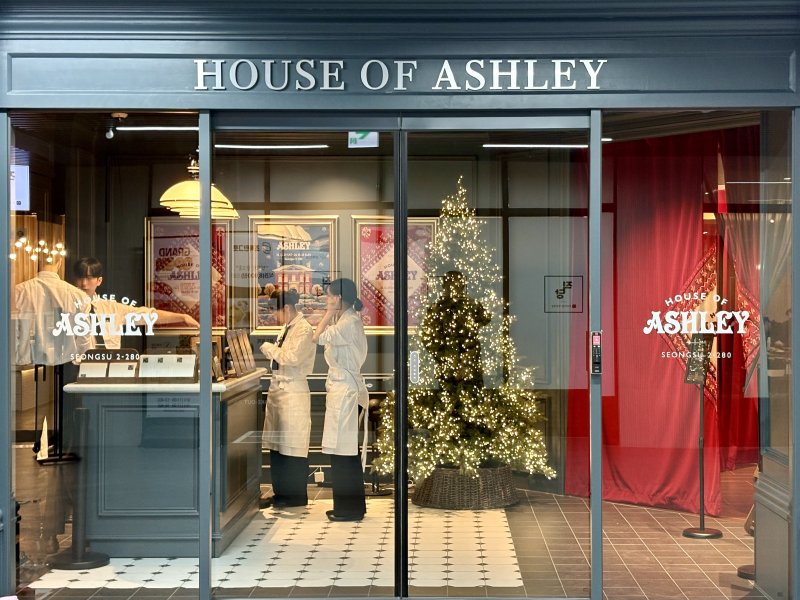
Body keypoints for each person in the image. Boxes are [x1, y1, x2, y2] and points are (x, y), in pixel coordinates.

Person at [313, 277, 369, 522]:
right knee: (341, 450)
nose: (327, 300)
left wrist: (328, 313)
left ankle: (349, 509)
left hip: (346, 391)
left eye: (329, 296)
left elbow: (317, 337)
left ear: (338, 298)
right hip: (341, 390)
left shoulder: (348, 322)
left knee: (344, 450)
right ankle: (347, 506)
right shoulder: (346, 320)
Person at [258, 289, 316, 508]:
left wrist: (269, 348)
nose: (274, 315)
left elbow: (292, 357)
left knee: (293, 445)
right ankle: (280, 493)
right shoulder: (286, 327)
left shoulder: (304, 329)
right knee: (278, 446)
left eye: (276, 311)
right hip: (279, 390)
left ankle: (294, 496)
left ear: (287, 308)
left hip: (293, 391)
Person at [72, 257, 199, 348]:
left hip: (111, 368)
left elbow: (147, 315)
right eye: (80, 278)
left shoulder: (112, 308)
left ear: (99, 281)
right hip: (77, 368)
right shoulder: (67, 306)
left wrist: (183, 317)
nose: (84, 283)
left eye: (89, 278)